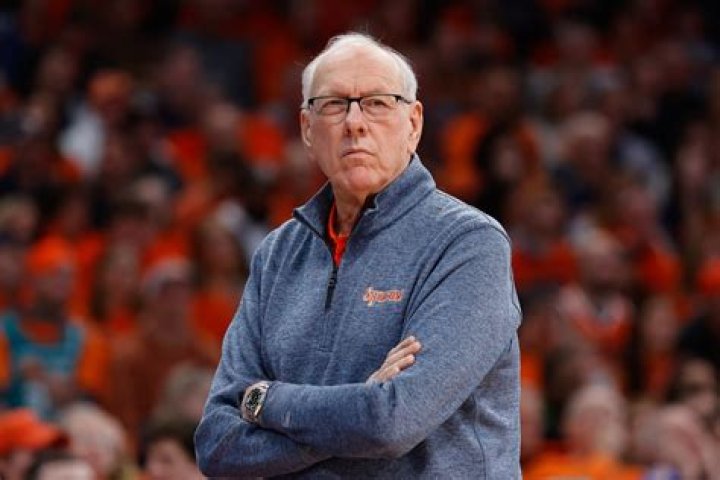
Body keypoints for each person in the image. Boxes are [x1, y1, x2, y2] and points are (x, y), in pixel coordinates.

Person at [195, 32, 522, 478]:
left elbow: (391, 423)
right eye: (333, 104)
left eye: (377, 103)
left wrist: (265, 401)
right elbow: (217, 444)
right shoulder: (277, 254)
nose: (354, 123)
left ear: (414, 123)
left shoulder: (467, 243)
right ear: (307, 129)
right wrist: (358, 408)